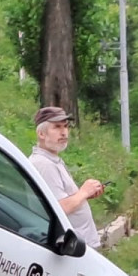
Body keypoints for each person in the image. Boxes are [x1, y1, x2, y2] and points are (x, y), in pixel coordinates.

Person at [28, 106, 104, 250]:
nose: (63, 132)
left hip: (78, 246)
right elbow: (58, 208)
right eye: (56, 127)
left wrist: (87, 195)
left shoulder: (53, 160)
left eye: (65, 126)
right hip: (71, 249)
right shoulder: (44, 164)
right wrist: (83, 192)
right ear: (41, 134)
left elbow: (62, 198)